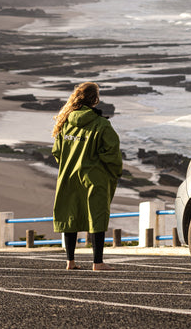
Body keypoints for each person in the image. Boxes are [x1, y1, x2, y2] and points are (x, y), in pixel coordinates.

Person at [51, 82, 123, 271]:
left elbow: (57, 152)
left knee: (70, 216)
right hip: (94, 178)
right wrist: (114, 172)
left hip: (68, 176)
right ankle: (97, 262)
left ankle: (70, 262)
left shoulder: (64, 122)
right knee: (97, 216)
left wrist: (69, 164)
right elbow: (112, 153)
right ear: (95, 100)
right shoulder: (101, 125)